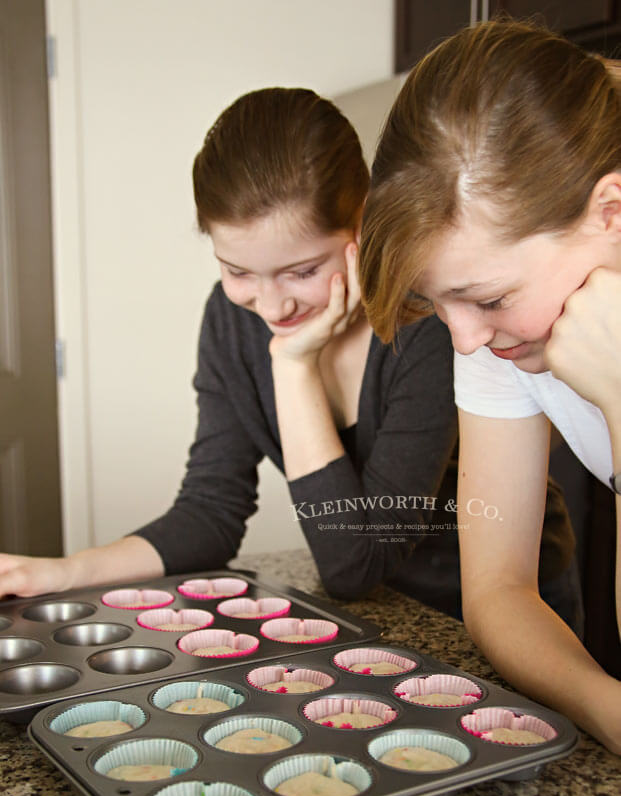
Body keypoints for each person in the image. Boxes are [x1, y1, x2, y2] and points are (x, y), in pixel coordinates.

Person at [0, 88, 574, 623]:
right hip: (376, 618)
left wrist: (294, 367)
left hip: (509, 609)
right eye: (238, 271)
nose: (271, 305)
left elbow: (356, 562)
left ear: (362, 221)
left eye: (302, 271)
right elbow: (210, 510)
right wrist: (63, 571)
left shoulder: (426, 320)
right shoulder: (232, 321)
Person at [359, 20, 621, 753]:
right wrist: (601, 706)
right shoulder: (494, 329)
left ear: (610, 211)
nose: (465, 338)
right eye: (438, 304)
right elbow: (498, 591)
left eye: (489, 298)